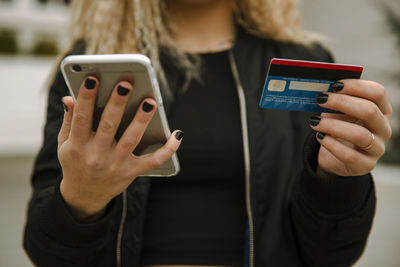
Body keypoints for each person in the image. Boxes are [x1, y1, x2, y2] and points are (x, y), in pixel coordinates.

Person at [23, 0, 392, 267]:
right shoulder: (92, 67)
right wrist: (82, 199)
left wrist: (337, 180)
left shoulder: (307, 63)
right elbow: (46, 252)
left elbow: (332, 254)